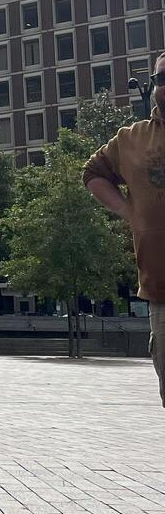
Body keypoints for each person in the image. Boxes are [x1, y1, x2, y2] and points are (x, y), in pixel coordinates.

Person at [84, 50, 165, 404]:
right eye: (161, 79)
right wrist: (128, 210)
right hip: (162, 292)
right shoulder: (131, 139)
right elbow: (93, 173)